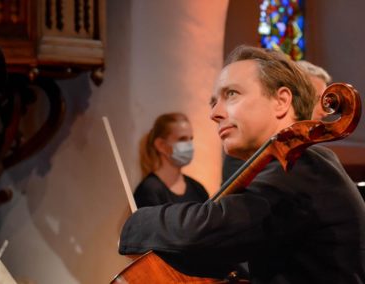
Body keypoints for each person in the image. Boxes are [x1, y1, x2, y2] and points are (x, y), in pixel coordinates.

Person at [118, 45, 365, 283]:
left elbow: (208, 228)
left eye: (231, 94)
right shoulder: (303, 166)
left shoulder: (300, 166)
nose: (215, 113)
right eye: (214, 102)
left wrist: (135, 223)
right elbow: (216, 253)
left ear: (281, 101)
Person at [222, 60, 333, 183]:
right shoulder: (246, 149)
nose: (324, 111)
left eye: (326, 102)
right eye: (317, 99)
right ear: (287, 98)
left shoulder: (307, 154)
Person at [133, 112, 209, 208]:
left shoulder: (198, 189)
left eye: (191, 139)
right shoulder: (148, 191)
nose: (189, 145)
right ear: (161, 145)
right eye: (182, 139)